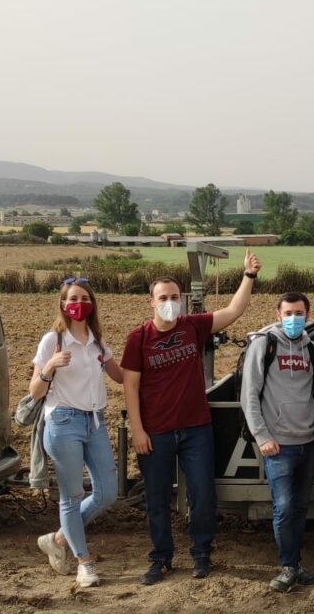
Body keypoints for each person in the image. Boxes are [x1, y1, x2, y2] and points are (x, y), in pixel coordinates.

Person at [122, 250, 262, 585]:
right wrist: (138, 430)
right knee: (156, 499)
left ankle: (202, 553)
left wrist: (248, 276)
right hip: (155, 432)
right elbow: (130, 386)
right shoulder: (139, 338)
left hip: (196, 429)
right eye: (163, 298)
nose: (169, 302)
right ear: (151, 302)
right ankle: (161, 558)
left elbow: (233, 311)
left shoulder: (193, 327)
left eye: (174, 297)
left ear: (182, 300)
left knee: (203, 495)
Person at [30, 277, 125, 587]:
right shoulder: (52, 341)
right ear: (63, 304)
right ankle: (84, 562)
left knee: (108, 492)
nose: (79, 303)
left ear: (92, 304)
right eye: (73, 298)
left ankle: (59, 538)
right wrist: (50, 366)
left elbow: (122, 376)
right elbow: (34, 391)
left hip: (95, 422)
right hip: (63, 423)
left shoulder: (98, 343)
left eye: (85, 298)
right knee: (72, 496)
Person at [242, 291, 314, 593]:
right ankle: (288, 566)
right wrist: (263, 436)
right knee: (284, 507)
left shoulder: (313, 349)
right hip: (278, 445)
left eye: (299, 313)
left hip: (307, 443)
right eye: (288, 313)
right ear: (278, 315)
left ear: (307, 315)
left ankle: (296, 564)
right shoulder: (264, 344)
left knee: (301, 506)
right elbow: (249, 394)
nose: (294, 318)